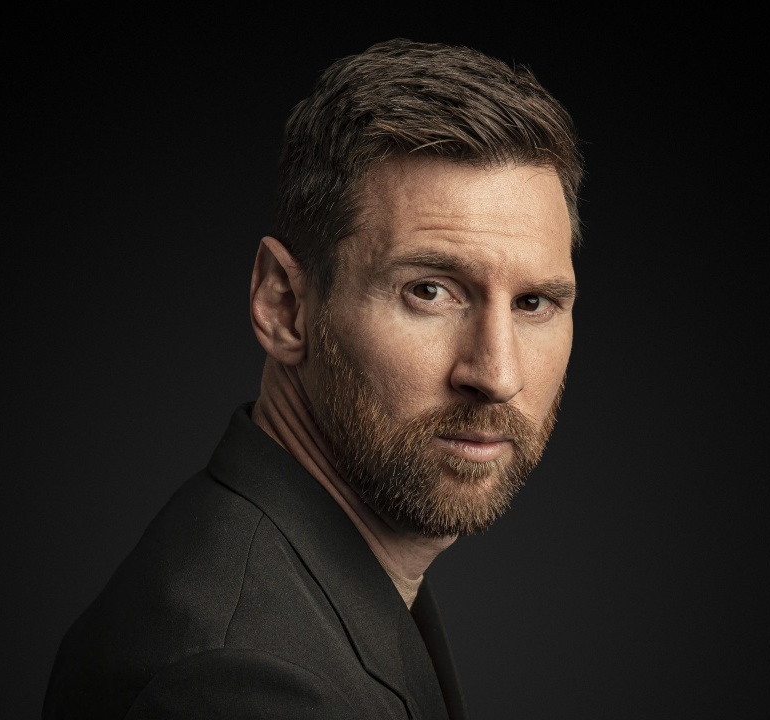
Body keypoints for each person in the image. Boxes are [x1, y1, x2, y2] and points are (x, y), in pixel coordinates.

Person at [44, 38, 583, 720]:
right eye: (429, 291)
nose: (498, 375)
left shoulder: (325, 584)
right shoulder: (238, 679)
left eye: (533, 302)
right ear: (284, 306)